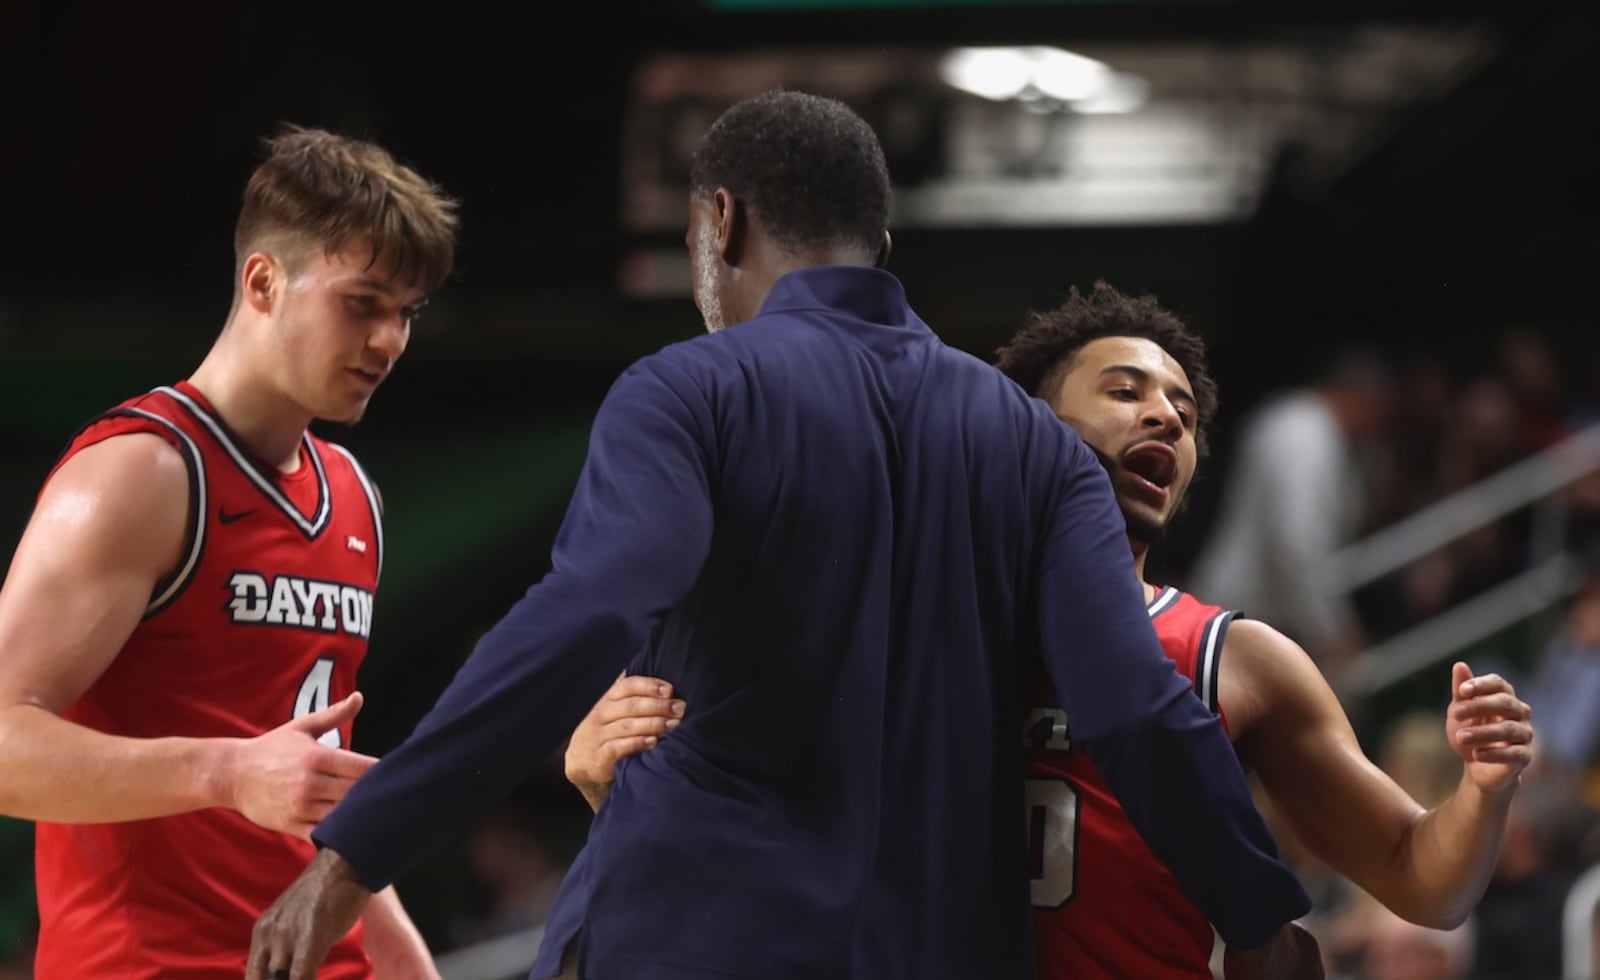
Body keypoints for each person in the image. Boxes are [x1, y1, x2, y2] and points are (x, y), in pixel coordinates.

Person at [247, 89, 1314, 980]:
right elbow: (1134, 705)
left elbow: (590, 609)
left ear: (721, 222)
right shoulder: (1035, 447)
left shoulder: (686, 390)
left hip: (691, 938)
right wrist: (1256, 913)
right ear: (878, 245)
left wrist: (355, 848)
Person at [564, 281, 1536, 979]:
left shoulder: (1234, 658)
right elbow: (759, 853)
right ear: (1024, 424)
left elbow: (1423, 878)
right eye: (1124, 390)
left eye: (1184, 411)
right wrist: (616, 784)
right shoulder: (895, 623)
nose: (1162, 414)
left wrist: (1483, 789)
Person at [0, 125, 458, 978]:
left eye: (407, 312)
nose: (391, 340)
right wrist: (227, 772)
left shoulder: (357, 495)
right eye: (363, 302)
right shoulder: (141, 472)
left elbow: (312, 791)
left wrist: (410, 965)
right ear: (262, 282)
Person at [1188, 343, 1395, 681]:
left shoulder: (1301, 425)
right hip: (1242, 620)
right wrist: (1331, 627)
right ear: (1362, 398)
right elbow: (1296, 542)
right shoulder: (1305, 434)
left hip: (1256, 617)